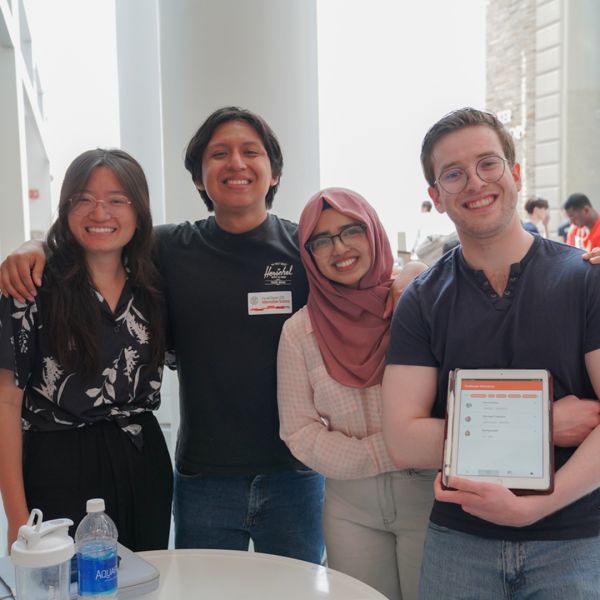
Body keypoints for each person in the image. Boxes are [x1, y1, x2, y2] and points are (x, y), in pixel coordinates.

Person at [382, 107, 600, 599]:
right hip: (461, 540)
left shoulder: (586, 279)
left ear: (515, 173)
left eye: (488, 164)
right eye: (453, 174)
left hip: (576, 538)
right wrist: (543, 423)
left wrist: (534, 507)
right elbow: (404, 438)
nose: (475, 183)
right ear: (436, 197)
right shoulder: (422, 300)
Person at [0, 149, 173, 552]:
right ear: (66, 207)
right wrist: (16, 517)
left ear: (139, 210)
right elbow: (7, 403)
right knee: (65, 586)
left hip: (141, 458)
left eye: (117, 200)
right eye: (84, 199)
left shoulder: (153, 287)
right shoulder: (32, 284)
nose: (100, 213)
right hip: (57, 461)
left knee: (146, 581)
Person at [277, 187, 432, 599]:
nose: (339, 248)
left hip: (431, 500)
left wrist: (415, 270)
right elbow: (299, 432)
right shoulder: (299, 331)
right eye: (321, 240)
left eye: (351, 231)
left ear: (374, 233)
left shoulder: (418, 305)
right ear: (308, 253)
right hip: (350, 509)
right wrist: (387, 451)